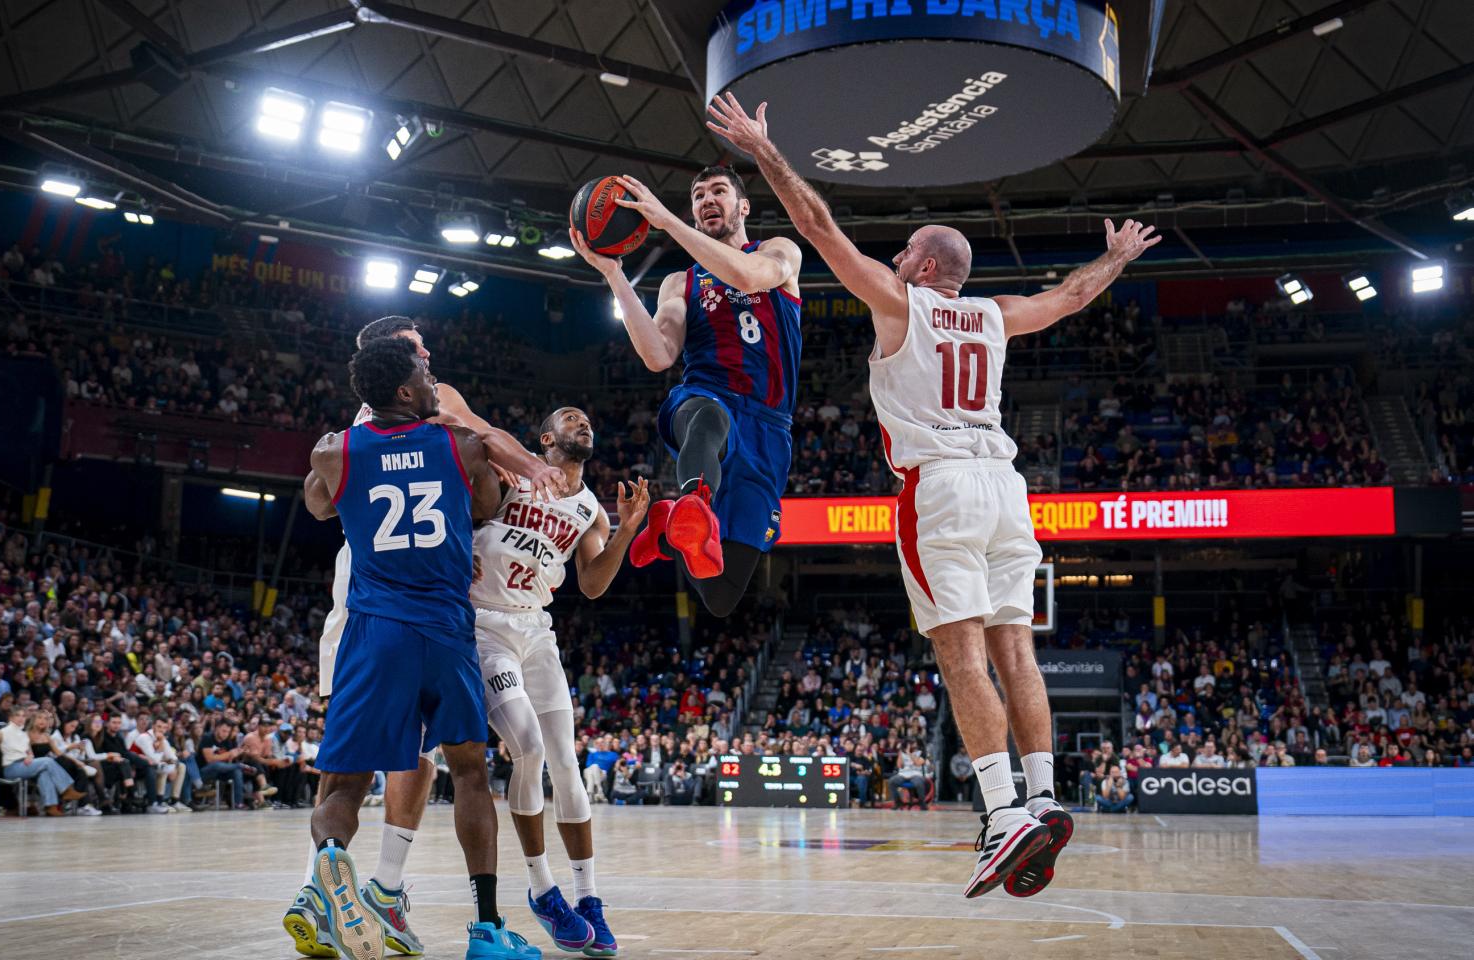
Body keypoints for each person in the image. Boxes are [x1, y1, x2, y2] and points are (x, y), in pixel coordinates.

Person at [707, 92, 1159, 900]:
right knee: (1016, 648)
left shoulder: (899, 302)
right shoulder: (994, 314)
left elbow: (816, 227)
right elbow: (1074, 297)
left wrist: (763, 153)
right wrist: (1118, 256)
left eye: (905, 249)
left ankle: (1002, 811)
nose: (897, 254)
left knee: (958, 655)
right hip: (1009, 489)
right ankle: (1045, 795)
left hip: (940, 484)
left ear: (919, 267)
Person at [290, 316, 570, 959]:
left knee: (344, 783)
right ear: (411, 392)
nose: (431, 376)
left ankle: (328, 870)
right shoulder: (457, 444)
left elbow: (317, 504)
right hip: (444, 628)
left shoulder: (337, 449)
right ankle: (486, 928)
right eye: (422, 371)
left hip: (373, 630)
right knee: (471, 773)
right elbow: (486, 505)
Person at [571, 167, 804, 616]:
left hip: (768, 425)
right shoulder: (680, 282)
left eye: (719, 191)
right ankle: (691, 502)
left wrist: (666, 222)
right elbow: (658, 354)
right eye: (698, 195)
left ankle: (669, 527)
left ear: (744, 206)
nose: (706, 199)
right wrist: (615, 274)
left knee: (720, 597)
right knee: (709, 416)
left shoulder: (778, 251)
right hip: (703, 398)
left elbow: (750, 278)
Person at [473, 405, 648, 956]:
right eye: (570, 419)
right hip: (484, 624)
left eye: (588, 420)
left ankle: (589, 897)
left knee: (567, 766)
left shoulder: (590, 508)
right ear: (546, 438)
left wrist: (624, 530)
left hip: (537, 631)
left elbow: (593, 583)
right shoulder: (512, 474)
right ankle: (541, 887)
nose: (583, 423)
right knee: (526, 746)